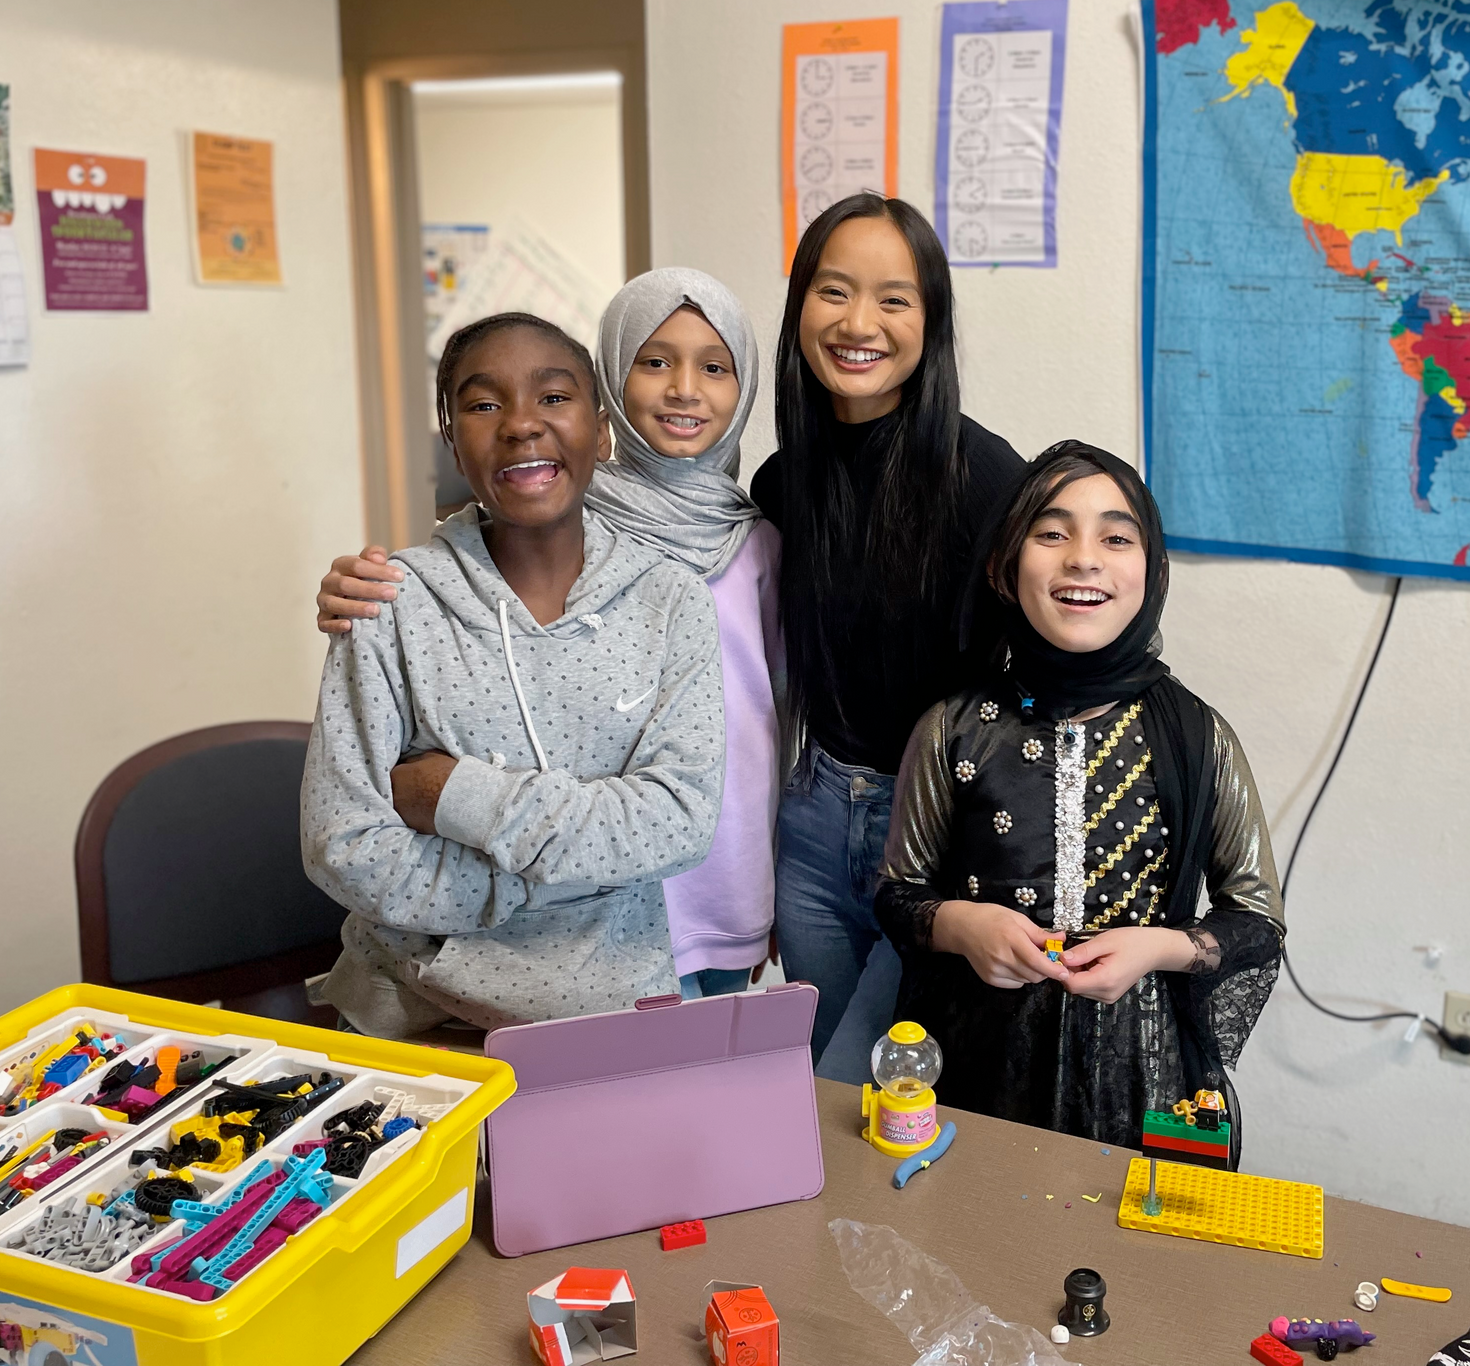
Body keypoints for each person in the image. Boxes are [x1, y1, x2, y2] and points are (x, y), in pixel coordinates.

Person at [302, 311, 725, 1038]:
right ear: (452, 441)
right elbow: (341, 845)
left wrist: (451, 795)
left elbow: (679, 824)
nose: (522, 424)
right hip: (413, 1017)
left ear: (602, 431)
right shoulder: (388, 604)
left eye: (554, 397)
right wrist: (568, 879)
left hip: (611, 1017)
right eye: (483, 404)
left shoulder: (670, 599)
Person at [873, 441, 1284, 1147]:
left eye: (1116, 538)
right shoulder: (952, 729)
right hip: (977, 1063)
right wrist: (961, 926)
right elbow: (897, 893)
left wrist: (1160, 947)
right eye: (1052, 533)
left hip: (1147, 1073)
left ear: (1153, 571)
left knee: (1135, 1219)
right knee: (971, 1213)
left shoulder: (1197, 736)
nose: (1084, 559)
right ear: (1004, 567)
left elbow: (1258, 921)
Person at [753, 194, 1026, 1069]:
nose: (858, 323)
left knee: (867, 1086)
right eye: (833, 291)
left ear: (930, 321)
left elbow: (1054, 657)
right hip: (813, 819)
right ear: (800, 305)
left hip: (937, 831)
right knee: (827, 1085)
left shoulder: (987, 478)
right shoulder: (782, 482)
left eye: (893, 299)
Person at [586, 268, 781, 998]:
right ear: (612, 374)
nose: (685, 389)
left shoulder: (759, 542)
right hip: (605, 874)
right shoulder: (568, 527)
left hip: (728, 869)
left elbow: (781, 715)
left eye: (714, 367)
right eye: (655, 360)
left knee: (717, 1059)